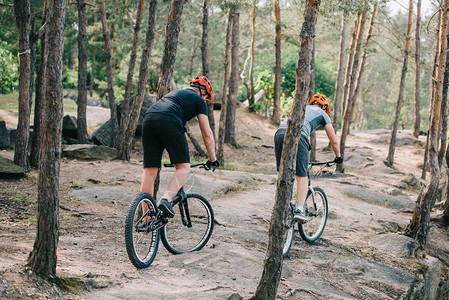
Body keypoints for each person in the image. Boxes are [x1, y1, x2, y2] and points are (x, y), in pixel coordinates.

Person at [141, 75, 220, 217]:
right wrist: (212, 159)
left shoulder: (174, 94)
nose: (205, 99)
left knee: (149, 172)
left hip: (148, 119)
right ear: (203, 91)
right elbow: (207, 133)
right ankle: (166, 200)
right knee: (183, 168)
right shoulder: (199, 100)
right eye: (206, 96)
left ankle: (146, 218)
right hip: (170, 120)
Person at [274, 93, 343, 222]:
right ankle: (299, 209)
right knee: (302, 175)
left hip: (279, 133)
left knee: (282, 172)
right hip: (299, 136)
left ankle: (282, 206)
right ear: (324, 107)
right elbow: (334, 140)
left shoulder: (301, 107)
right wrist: (338, 156)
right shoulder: (323, 114)